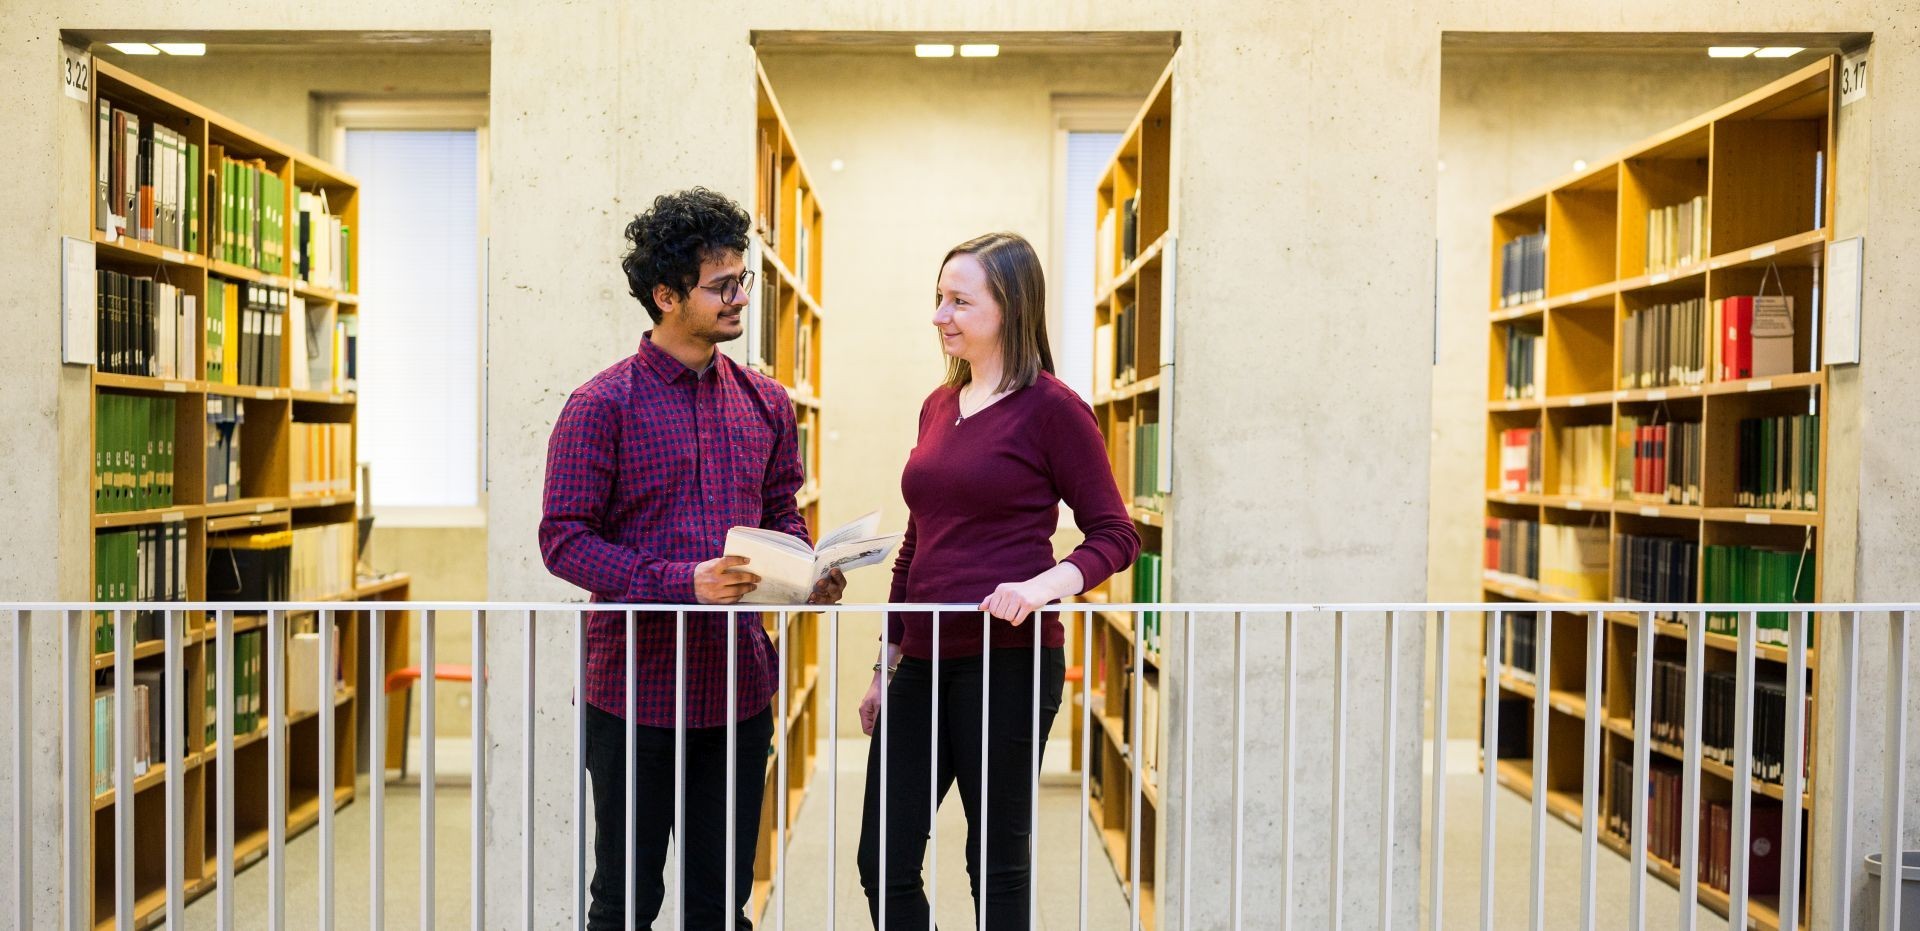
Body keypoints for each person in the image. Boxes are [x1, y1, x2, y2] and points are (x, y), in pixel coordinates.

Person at [539, 186, 844, 930]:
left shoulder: (768, 402)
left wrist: (803, 573)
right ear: (667, 295)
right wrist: (684, 582)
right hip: (635, 692)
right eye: (722, 285)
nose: (741, 296)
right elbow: (563, 538)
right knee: (625, 900)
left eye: (743, 279)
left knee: (721, 902)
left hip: (740, 690)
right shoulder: (599, 404)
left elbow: (779, 515)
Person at [855, 232, 1141, 928]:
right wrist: (884, 661)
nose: (940, 315)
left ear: (1009, 308)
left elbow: (1116, 533)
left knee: (996, 863)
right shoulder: (937, 404)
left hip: (1008, 663)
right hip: (923, 661)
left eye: (959, 301)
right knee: (881, 857)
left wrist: (1044, 585)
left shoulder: (1053, 408)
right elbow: (918, 540)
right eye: (938, 299)